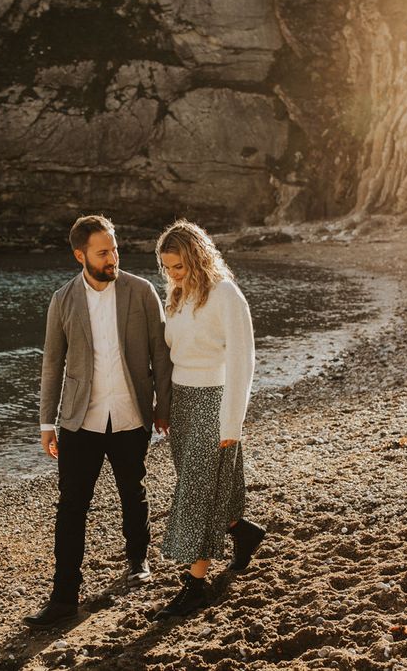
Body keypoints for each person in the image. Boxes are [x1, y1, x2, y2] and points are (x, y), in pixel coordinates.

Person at [23, 214, 172, 629]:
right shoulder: (62, 300)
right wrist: (46, 424)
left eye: (115, 249)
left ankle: (138, 560)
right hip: (79, 420)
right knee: (71, 508)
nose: (113, 257)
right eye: (103, 252)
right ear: (80, 255)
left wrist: (163, 407)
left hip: (130, 413)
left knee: (133, 489)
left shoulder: (141, 292)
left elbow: (160, 353)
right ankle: (64, 597)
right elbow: (52, 363)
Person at [153, 219, 265, 620]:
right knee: (202, 485)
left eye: (178, 266)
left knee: (196, 496)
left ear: (199, 258)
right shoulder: (178, 297)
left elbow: (242, 360)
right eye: (167, 268)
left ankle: (195, 587)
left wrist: (231, 423)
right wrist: (163, 407)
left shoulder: (226, 295)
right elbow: (171, 356)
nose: (172, 275)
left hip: (214, 402)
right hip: (183, 403)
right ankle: (243, 531)